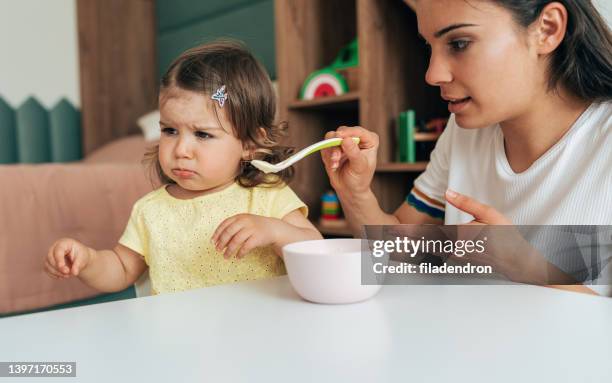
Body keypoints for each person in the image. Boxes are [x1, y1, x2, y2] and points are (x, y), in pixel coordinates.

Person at [321, 0, 611, 292]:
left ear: (548, 29)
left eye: (458, 44)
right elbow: (397, 251)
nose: (433, 75)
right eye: (429, 47)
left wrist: (524, 263)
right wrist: (355, 193)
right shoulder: (464, 131)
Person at [45, 40, 322, 295]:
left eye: (202, 134)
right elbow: (121, 268)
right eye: (169, 130)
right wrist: (88, 261)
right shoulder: (150, 210)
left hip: (252, 335)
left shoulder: (267, 197)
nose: (180, 150)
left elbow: (318, 253)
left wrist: (275, 232)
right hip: (176, 340)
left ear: (250, 144)